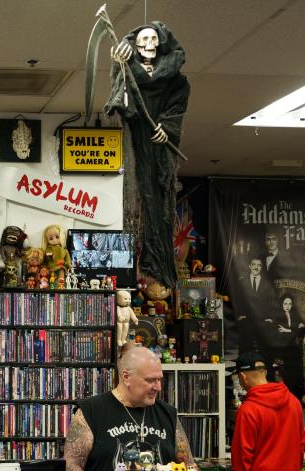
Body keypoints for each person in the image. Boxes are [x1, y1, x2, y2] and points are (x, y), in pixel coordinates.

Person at [106, 21, 189, 288]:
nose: (149, 45)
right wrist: (119, 67)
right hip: (139, 132)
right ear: (135, 45)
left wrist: (167, 126)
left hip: (159, 139)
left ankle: (158, 260)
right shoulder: (129, 70)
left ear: (162, 43)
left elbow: (179, 100)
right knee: (141, 190)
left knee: (159, 191)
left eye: (154, 39)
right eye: (143, 40)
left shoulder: (175, 79)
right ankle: (142, 258)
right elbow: (120, 95)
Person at [65, 343, 197, 471]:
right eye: (150, 380)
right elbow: (72, 464)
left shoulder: (168, 414)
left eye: (159, 379)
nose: (158, 387)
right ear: (126, 377)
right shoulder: (91, 411)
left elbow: (188, 465)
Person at [229, 353, 305, 471]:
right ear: (264, 372)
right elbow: (301, 443)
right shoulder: (293, 401)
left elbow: (243, 452)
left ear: (243, 377)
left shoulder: (248, 409)